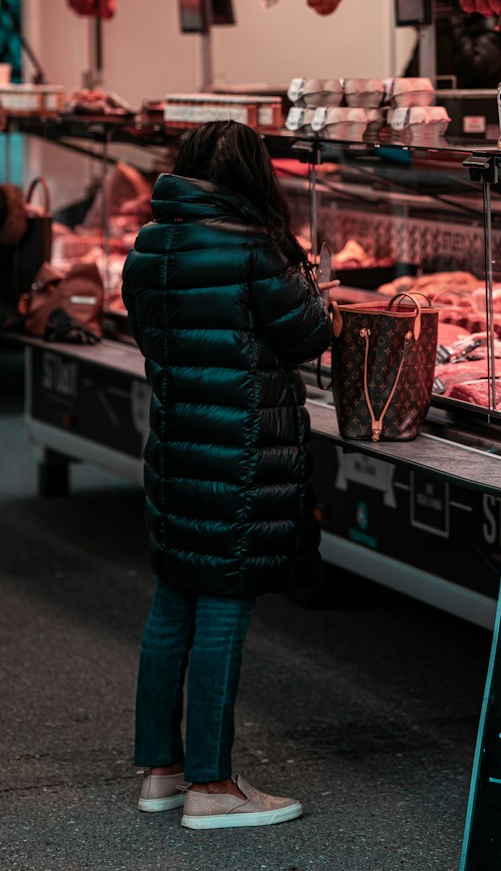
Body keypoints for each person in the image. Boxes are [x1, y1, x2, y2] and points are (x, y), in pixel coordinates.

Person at [122, 120, 331, 831]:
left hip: (177, 449)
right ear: (250, 175)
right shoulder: (251, 248)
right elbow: (310, 333)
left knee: (172, 601)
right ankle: (212, 787)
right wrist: (312, 280)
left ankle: (161, 771)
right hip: (241, 457)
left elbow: (152, 336)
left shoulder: (150, 244)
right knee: (222, 607)